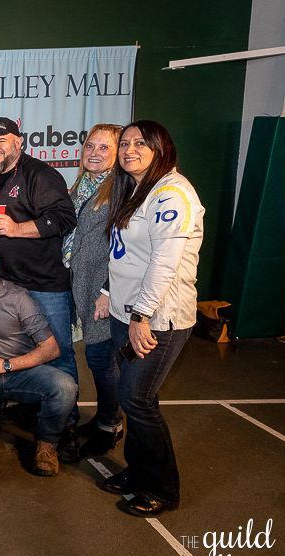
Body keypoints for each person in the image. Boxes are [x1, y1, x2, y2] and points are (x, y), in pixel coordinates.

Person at [99, 120, 204, 517]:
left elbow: (164, 264)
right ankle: (138, 471)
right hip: (127, 311)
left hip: (159, 317)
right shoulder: (138, 190)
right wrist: (109, 293)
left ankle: (163, 488)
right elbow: (125, 252)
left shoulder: (172, 193)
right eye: (124, 143)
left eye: (140, 143)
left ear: (160, 148)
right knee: (136, 397)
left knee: (137, 399)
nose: (129, 150)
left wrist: (141, 315)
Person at [0, 116, 80, 460]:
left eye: (0, 141)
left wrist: (18, 228)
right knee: (19, 349)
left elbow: (65, 218)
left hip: (44, 286)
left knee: (61, 354)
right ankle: (36, 406)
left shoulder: (40, 174)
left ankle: (65, 427)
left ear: (18, 143)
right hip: (9, 285)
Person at [0, 242, 77, 476]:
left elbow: (51, 349)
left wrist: (6, 365)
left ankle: (47, 444)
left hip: (22, 371)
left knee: (65, 386)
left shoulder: (18, 297)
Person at [66, 124, 124, 455]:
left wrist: (109, 290)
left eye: (104, 148)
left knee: (102, 358)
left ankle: (109, 425)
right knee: (95, 355)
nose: (95, 153)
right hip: (81, 283)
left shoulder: (120, 191)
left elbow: (128, 247)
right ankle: (104, 417)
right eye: (90, 146)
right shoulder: (83, 186)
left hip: (102, 289)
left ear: (117, 155)